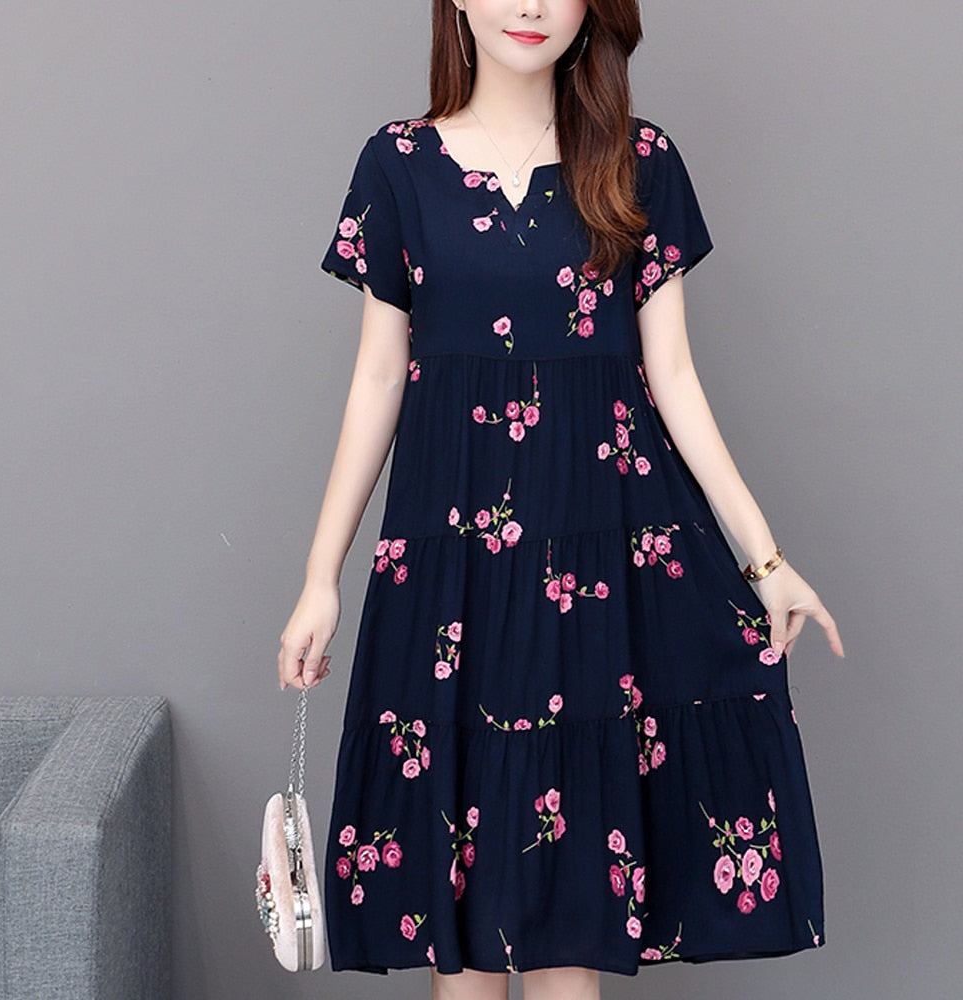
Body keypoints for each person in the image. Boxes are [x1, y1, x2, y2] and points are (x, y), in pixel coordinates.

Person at [278, 1, 844, 997]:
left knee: (569, 924)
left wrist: (766, 559)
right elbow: (378, 377)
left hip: (595, 570)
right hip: (448, 574)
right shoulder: (397, 163)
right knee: (459, 942)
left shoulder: (639, 161)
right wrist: (320, 578)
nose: (531, 5)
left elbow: (672, 376)